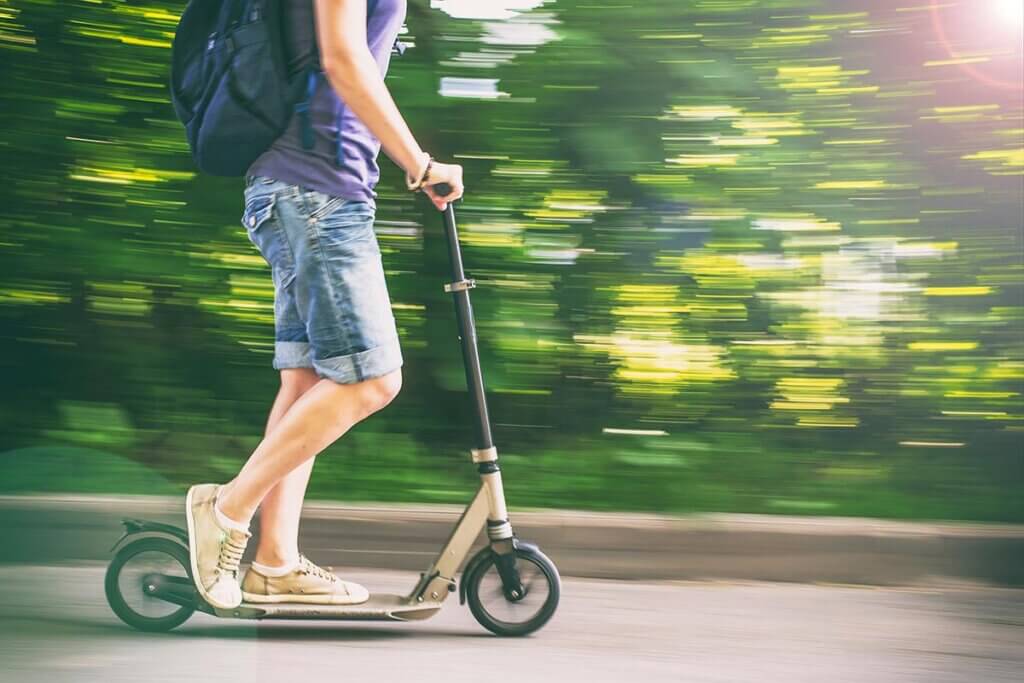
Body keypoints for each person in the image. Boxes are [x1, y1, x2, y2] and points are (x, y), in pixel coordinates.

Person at [185, 0, 465, 610]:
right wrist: (419, 165)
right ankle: (225, 510)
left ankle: (274, 563)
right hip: (314, 189)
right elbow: (343, 56)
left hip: (309, 187)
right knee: (372, 379)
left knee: (307, 381)